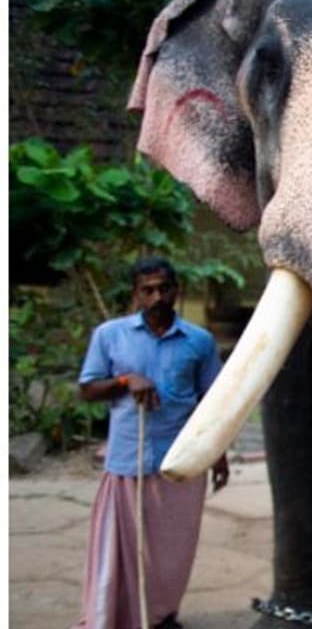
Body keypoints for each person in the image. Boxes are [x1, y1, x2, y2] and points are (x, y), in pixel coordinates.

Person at [72, 257, 227, 629]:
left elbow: (213, 402)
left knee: (173, 552)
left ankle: (161, 616)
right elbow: (88, 388)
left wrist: (218, 455)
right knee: (121, 549)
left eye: (164, 288)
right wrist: (126, 381)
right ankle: (114, 617)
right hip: (128, 461)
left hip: (181, 464)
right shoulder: (110, 335)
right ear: (136, 295)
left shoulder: (199, 341)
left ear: (176, 290)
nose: (157, 296)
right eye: (148, 290)